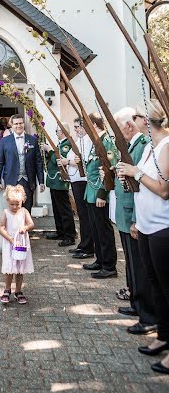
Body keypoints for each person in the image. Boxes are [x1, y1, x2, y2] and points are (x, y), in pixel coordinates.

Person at [117, 100, 169, 375]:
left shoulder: (166, 146)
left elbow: (163, 190)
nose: (135, 124)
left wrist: (135, 171)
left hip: (163, 226)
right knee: (156, 284)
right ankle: (163, 335)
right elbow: (144, 185)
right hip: (147, 224)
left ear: (148, 122)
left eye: (139, 119)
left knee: (167, 287)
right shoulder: (149, 147)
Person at [109, 107, 157, 335]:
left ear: (128, 125)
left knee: (139, 265)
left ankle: (147, 314)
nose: (117, 134)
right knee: (131, 262)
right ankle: (137, 303)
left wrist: (137, 218)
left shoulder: (141, 146)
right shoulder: (131, 146)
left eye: (118, 128)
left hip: (133, 212)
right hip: (125, 210)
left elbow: (141, 183)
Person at [82, 112, 118, 279]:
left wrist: (102, 194)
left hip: (99, 192)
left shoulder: (106, 142)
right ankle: (100, 259)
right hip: (91, 191)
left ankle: (109, 265)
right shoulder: (96, 142)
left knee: (103, 229)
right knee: (95, 228)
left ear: (94, 125)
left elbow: (109, 168)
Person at [0, 114, 45, 214]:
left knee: (27, 209)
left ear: (24, 124)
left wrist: (41, 181)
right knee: (12, 210)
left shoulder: (32, 140)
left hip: (28, 180)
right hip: (11, 180)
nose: (19, 126)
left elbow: (38, 162)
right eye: (16, 124)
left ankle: (25, 230)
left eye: (21, 123)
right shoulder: (4, 141)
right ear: (12, 126)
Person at [60, 117, 94, 259]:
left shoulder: (88, 141)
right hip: (76, 180)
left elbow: (84, 161)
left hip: (82, 181)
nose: (75, 130)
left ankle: (88, 246)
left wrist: (68, 161)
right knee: (82, 214)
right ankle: (83, 244)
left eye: (76, 127)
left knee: (85, 215)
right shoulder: (80, 141)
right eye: (74, 127)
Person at [0, 185, 34, 304]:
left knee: (20, 269)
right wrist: (10, 239)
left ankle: (18, 291)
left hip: (21, 244)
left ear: (22, 201)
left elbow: (31, 224)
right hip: (10, 244)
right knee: (9, 268)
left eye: (17, 204)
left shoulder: (24, 212)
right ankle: (7, 289)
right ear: (7, 201)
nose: (14, 207)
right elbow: (1, 228)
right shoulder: (5, 212)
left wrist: (25, 227)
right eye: (12, 204)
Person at [44, 124, 76, 246]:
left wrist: (49, 150)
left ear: (62, 131)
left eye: (57, 131)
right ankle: (61, 231)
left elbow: (58, 160)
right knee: (57, 208)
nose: (56, 133)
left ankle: (69, 235)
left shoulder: (66, 144)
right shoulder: (60, 143)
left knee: (64, 210)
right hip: (55, 181)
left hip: (60, 180)